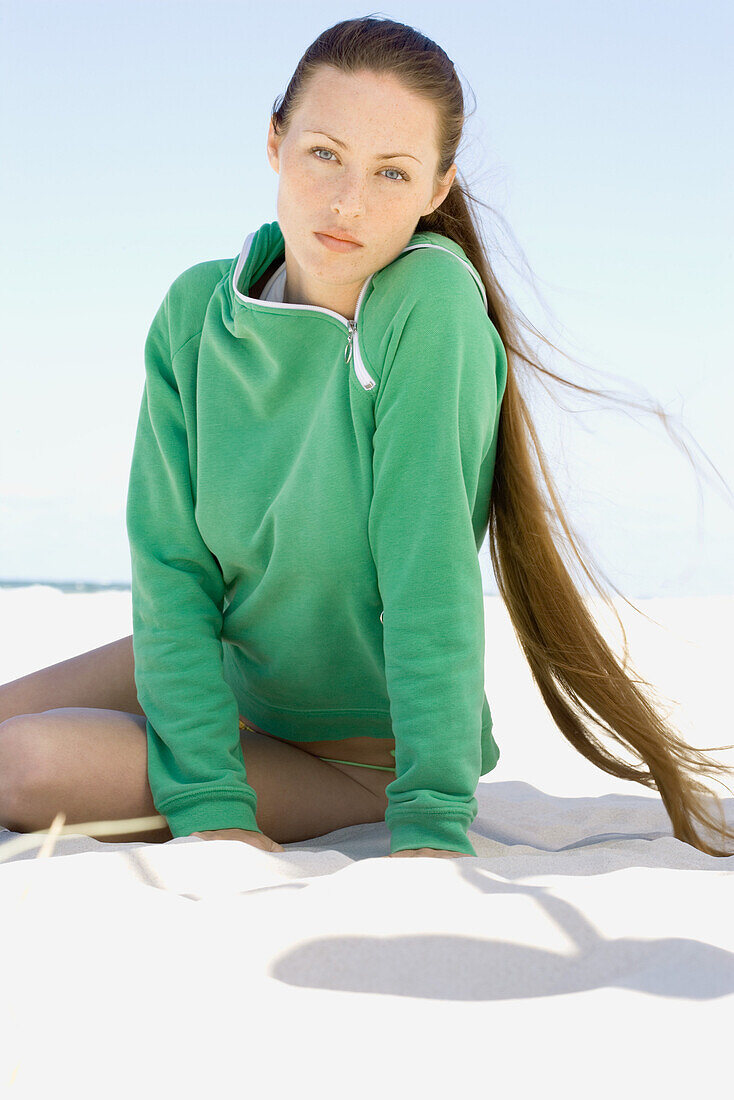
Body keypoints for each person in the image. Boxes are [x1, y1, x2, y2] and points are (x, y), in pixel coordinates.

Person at [1, 16, 733, 860]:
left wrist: (418, 818)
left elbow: (429, 577)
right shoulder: (195, 311)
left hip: (353, 755)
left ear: (437, 188)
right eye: (324, 154)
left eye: (392, 171)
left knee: (24, 764)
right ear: (275, 142)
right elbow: (171, 568)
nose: (350, 201)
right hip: (234, 668)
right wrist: (204, 767)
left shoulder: (426, 308)